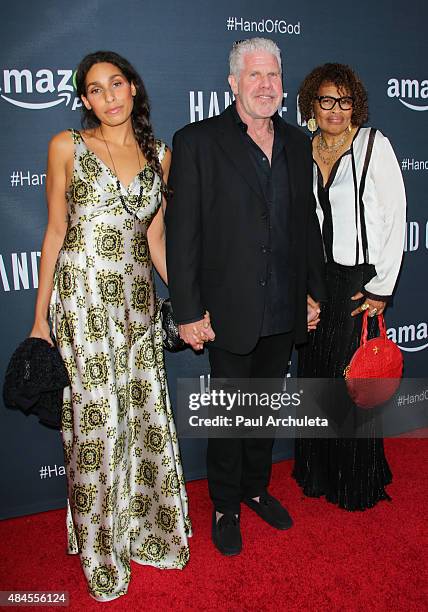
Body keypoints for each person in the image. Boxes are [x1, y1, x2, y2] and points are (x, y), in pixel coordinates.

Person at [29, 51, 190, 600]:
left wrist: (191, 305)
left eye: (116, 84)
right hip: (81, 304)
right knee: (95, 432)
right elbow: (54, 233)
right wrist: (39, 323)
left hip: (138, 307)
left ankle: (145, 533)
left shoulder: (159, 156)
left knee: (142, 422)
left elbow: (157, 242)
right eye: (96, 90)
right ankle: (101, 551)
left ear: (134, 89)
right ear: (84, 100)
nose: (109, 97)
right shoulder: (66, 148)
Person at [166, 38, 326, 556]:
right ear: (232, 83)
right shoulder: (197, 142)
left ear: (283, 83)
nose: (265, 86)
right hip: (228, 309)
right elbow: (182, 233)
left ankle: (257, 488)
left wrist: (311, 292)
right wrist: (188, 311)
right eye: (253, 76)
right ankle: (225, 504)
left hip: (284, 304)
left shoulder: (299, 144)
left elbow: (306, 225)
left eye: (273, 76)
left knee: (264, 411)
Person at [292, 63, 406, 510]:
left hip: (359, 281)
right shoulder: (304, 149)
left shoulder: (375, 146)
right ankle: (318, 470)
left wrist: (381, 287)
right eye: (326, 100)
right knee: (317, 375)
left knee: (351, 380)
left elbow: (396, 218)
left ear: (355, 104)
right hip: (316, 279)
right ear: (311, 105)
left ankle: (355, 480)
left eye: (344, 101)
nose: (335, 110)